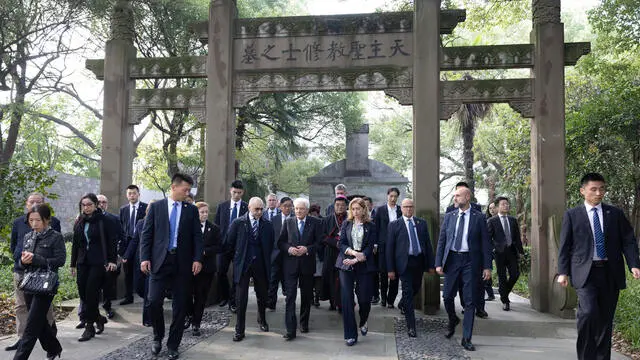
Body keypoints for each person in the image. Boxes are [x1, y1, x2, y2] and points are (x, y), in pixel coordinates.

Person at [557, 172, 640, 360]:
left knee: (605, 319)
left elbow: (628, 240)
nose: (598, 193)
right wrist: (562, 272)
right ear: (582, 191)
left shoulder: (615, 214)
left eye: (601, 189)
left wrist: (634, 264)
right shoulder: (572, 215)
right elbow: (565, 245)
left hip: (610, 272)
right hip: (584, 273)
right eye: (593, 189)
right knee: (588, 313)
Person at [140, 173, 203, 360]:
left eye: (189, 190)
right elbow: (147, 235)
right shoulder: (157, 207)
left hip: (182, 264)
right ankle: (157, 336)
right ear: (174, 187)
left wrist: (197, 258)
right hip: (160, 262)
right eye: (185, 189)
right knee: (153, 301)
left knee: (181, 305)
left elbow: (197, 238)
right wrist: (144, 258)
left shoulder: (191, 210)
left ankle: (173, 344)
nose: (188, 193)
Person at [436, 186, 492, 351]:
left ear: (467, 197)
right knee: (447, 296)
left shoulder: (479, 218)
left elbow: (486, 244)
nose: (455, 198)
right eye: (454, 195)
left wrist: (487, 267)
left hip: (470, 261)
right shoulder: (449, 216)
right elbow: (442, 241)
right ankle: (453, 319)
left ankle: (466, 338)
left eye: (458, 195)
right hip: (452, 259)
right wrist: (438, 262)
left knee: (469, 301)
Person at [7, 193, 60, 352]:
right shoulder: (18, 222)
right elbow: (14, 245)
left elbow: (55, 250)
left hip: (43, 273)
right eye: (32, 201)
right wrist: (21, 260)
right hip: (21, 270)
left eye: (39, 202)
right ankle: (22, 337)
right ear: (26, 204)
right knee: (21, 305)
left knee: (44, 308)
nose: (34, 204)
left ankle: (50, 335)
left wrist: (37, 259)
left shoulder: (54, 222)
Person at [225, 197, 274, 341]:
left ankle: (262, 319)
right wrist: (238, 258)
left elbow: (270, 244)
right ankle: (239, 329)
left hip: (261, 264)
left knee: (262, 295)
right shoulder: (238, 223)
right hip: (243, 265)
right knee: (241, 298)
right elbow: (229, 243)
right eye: (256, 209)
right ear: (249, 208)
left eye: (261, 209)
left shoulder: (267, 225)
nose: (259, 212)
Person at [70, 193, 117, 342]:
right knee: (83, 293)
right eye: (83, 205)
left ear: (96, 205)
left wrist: (112, 260)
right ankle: (99, 318)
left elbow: (112, 241)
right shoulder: (79, 221)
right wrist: (72, 264)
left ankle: (89, 328)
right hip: (82, 262)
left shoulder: (105, 220)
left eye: (89, 204)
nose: (86, 207)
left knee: (91, 293)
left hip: (98, 262)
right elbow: (76, 244)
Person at [386, 199, 435, 338]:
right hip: (404, 264)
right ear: (401, 208)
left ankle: (402, 304)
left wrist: (431, 264)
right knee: (408, 292)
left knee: (415, 288)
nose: (408, 209)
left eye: (411, 207)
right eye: (406, 207)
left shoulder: (421, 223)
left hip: (418, 261)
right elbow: (389, 249)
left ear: (413, 208)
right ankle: (411, 326)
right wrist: (390, 269)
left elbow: (428, 245)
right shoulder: (394, 225)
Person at [278, 198, 322, 340]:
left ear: (307, 210)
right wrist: (289, 248)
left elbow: (320, 243)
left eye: (301, 209)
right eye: (296, 208)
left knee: (306, 296)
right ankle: (290, 329)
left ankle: (304, 323)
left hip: (307, 265)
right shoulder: (288, 222)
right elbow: (280, 242)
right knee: (290, 297)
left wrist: (307, 249)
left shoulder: (315, 222)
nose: (298, 211)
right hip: (290, 265)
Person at [337, 198, 377, 346]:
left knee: (365, 299)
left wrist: (359, 258)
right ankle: (350, 334)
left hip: (364, 264)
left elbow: (370, 246)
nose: (355, 212)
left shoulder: (371, 226)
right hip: (346, 264)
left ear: (363, 209)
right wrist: (353, 254)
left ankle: (363, 320)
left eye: (357, 209)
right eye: (352, 209)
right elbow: (341, 243)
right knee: (347, 299)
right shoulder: (346, 224)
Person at [187, 202, 222, 336]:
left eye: (206, 212)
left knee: (201, 297)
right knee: (187, 294)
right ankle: (189, 315)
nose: (205, 214)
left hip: (207, 269)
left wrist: (204, 252)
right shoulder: (188, 228)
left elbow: (219, 247)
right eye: (202, 212)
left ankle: (196, 323)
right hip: (190, 268)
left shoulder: (214, 228)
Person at [214, 180, 248, 312]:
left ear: (242, 192)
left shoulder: (246, 207)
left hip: (239, 246)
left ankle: (233, 301)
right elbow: (217, 225)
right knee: (220, 271)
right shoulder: (222, 206)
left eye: (239, 193)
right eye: (234, 192)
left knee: (237, 274)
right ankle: (224, 297)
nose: (237, 195)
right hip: (223, 245)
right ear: (230, 191)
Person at [487, 197, 523, 311]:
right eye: (503, 204)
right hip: (499, 253)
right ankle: (505, 302)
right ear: (497, 207)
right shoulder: (492, 221)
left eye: (507, 204)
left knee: (515, 274)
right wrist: (493, 249)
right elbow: (488, 238)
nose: (506, 206)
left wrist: (520, 251)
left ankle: (504, 293)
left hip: (511, 251)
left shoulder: (513, 220)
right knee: (502, 277)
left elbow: (517, 237)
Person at [372, 187, 402, 308]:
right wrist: (375, 244)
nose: (393, 198)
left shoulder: (400, 210)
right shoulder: (380, 210)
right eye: (391, 196)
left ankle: (391, 300)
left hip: (398, 246)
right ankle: (383, 298)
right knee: (383, 274)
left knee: (396, 274)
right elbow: (375, 228)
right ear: (387, 196)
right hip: (383, 246)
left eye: (395, 196)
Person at [118, 185, 148, 306]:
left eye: (134, 193)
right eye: (129, 193)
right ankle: (128, 296)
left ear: (138, 194)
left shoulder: (145, 207)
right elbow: (121, 227)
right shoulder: (123, 209)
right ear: (127, 195)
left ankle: (145, 294)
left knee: (140, 270)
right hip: (127, 244)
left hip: (140, 244)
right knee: (127, 271)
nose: (132, 195)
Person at [131, 200, 156, 327]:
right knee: (140, 288)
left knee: (148, 292)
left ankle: (148, 319)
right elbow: (135, 241)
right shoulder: (141, 223)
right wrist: (125, 256)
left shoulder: (162, 223)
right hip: (140, 261)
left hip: (155, 262)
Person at [321, 196, 348, 311]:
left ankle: (343, 303)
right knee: (331, 278)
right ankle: (333, 302)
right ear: (334, 206)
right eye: (337, 205)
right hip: (331, 253)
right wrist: (335, 243)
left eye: (342, 205)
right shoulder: (327, 219)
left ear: (346, 206)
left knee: (344, 279)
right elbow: (322, 236)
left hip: (346, 253)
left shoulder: (350, 218)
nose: (340, 207)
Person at [267, 197, 293, 310]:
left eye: (290, 206)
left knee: (288, 281)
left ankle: (289, 302)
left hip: (289, 255)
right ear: (280, 206)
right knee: (273, 280)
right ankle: (271, 303)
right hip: (275, 254)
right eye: (285, 206)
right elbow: (270, 238)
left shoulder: (295, 219)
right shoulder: (274, 219)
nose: (288, 208)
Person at [482, 201, 498, 301]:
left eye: (493, 208)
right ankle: (490, 293)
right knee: (486, 268)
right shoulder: (486, 220)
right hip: (489, 250)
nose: (492, 210)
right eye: (490, 208)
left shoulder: (504, 219)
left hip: (501, 249)